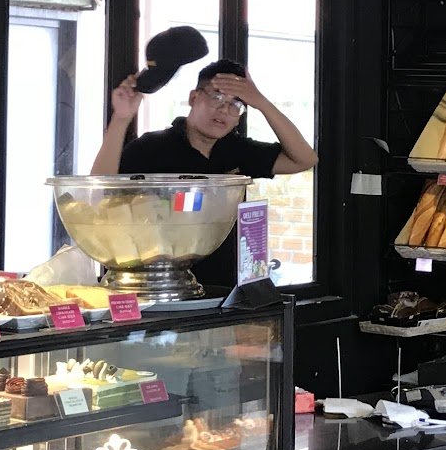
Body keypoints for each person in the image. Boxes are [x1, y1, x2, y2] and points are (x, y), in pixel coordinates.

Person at [91, 59, 319, 292]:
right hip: (157, 286)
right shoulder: (153, 146)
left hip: (224, 290)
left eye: (236, 104)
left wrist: (262, 103)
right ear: (193, 97)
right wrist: (121, 119)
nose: (224, 110)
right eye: (217, 97)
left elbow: (305, 159)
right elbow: (99, 190)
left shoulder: (237, 150)